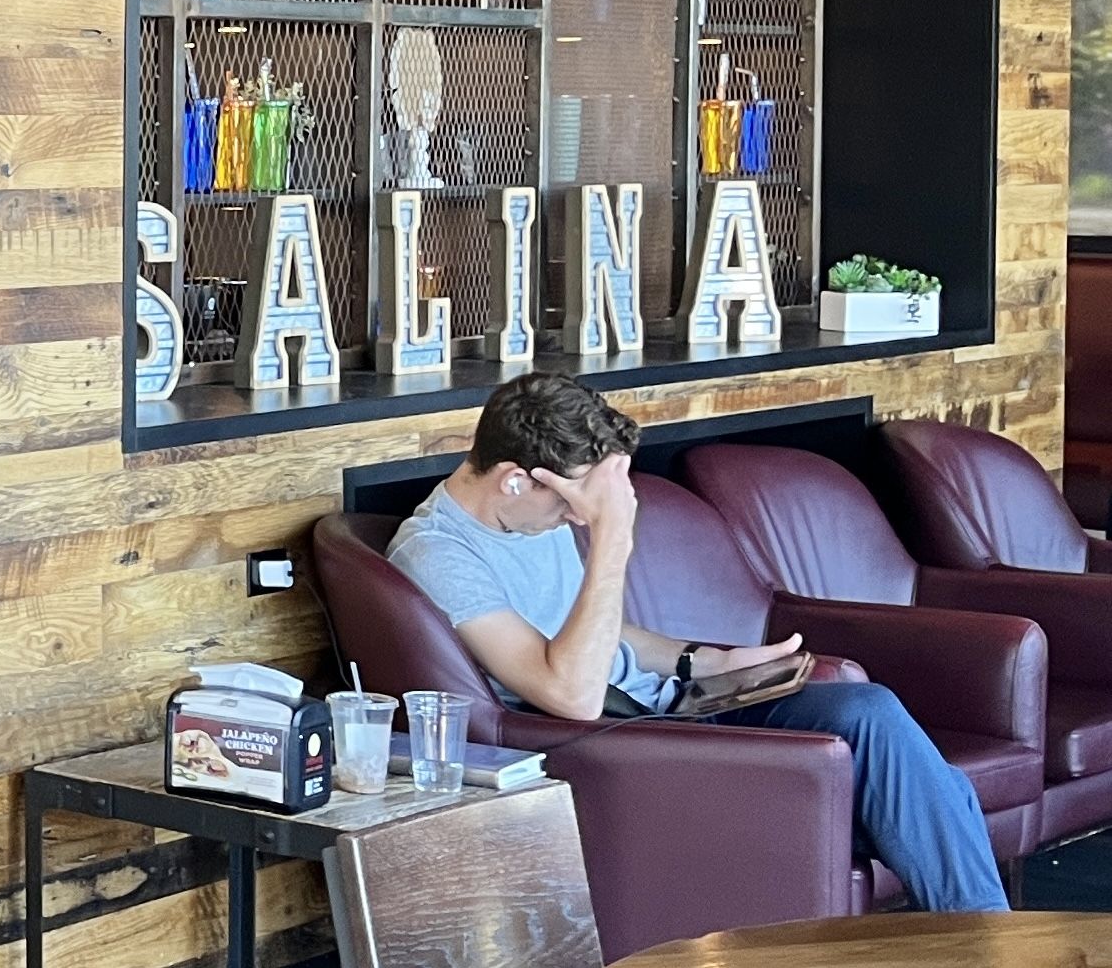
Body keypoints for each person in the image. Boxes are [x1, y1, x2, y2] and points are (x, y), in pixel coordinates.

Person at [389, 372, 1010, 915]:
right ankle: (989, 952)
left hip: (667, 705)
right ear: (515, 480)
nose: (579, 516)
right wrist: (611, 536)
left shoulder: (530, 515)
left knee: (867, 712)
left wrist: (705, 660)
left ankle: (983, 944)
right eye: (577, 500)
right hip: (610, 736)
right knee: (921, 791)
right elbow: (572, 694)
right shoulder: (440, 556)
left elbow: (593, 629)